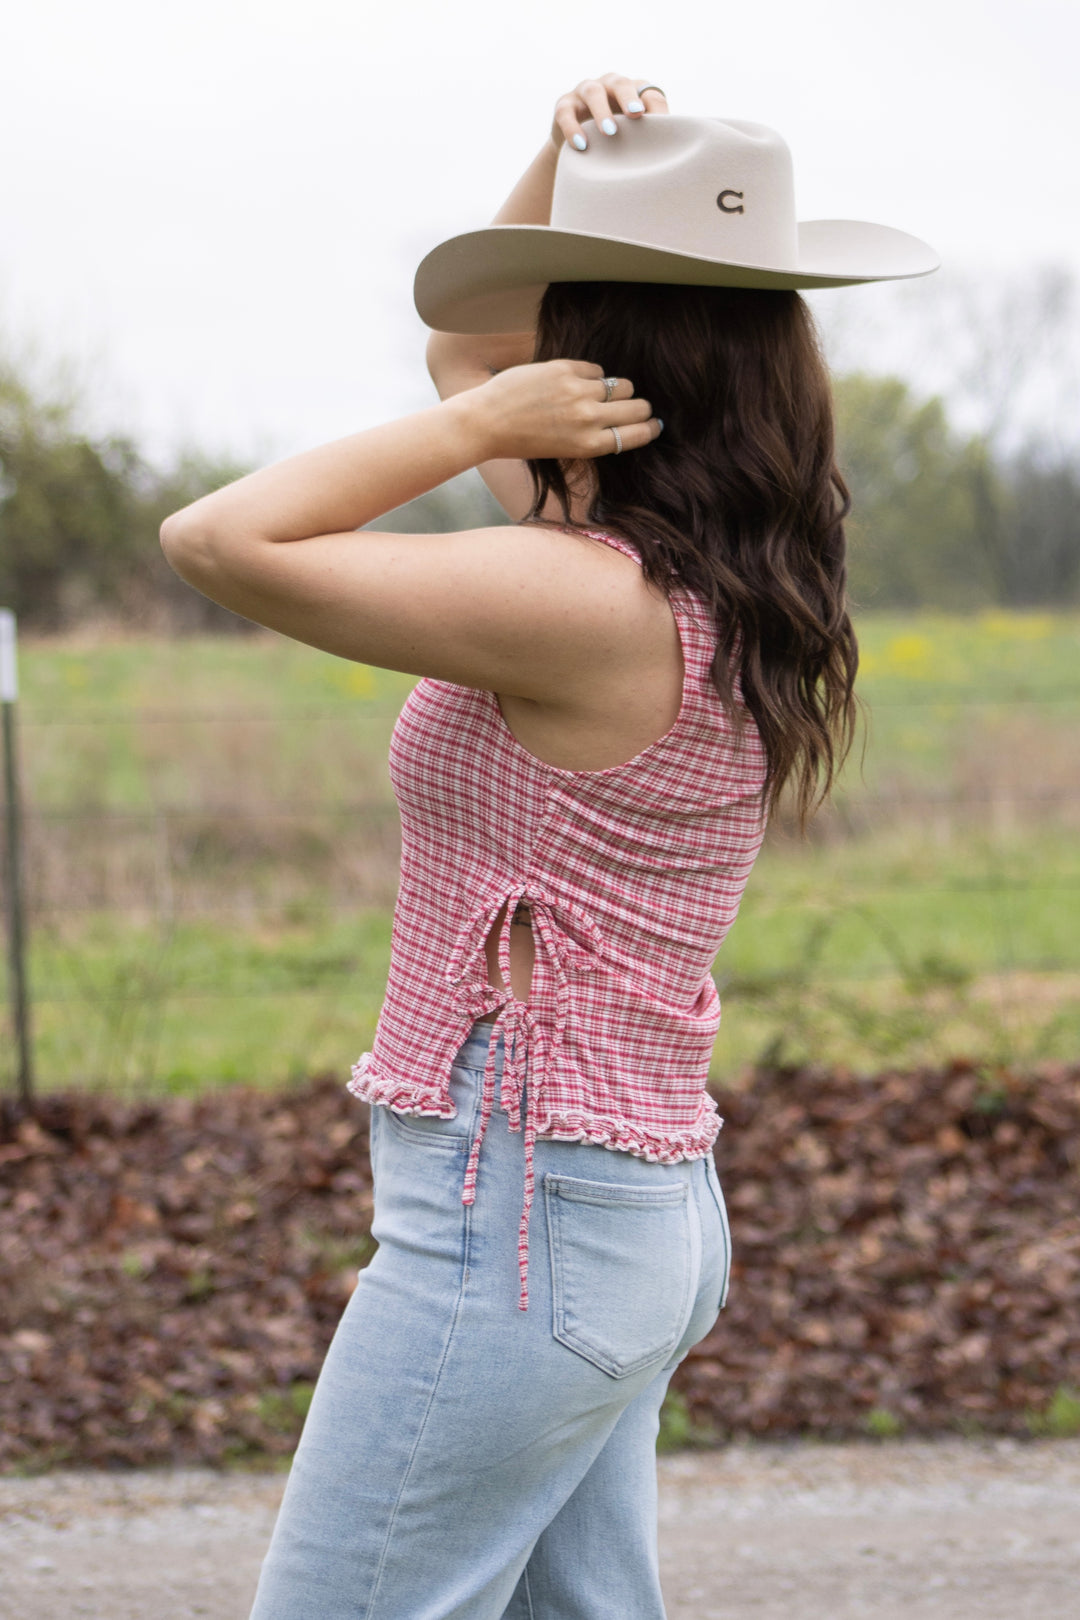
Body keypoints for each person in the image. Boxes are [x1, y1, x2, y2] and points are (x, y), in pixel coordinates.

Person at [161, 71, 938, 1620]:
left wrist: (470, 426)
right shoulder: (719, 569)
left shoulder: (577, 597)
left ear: (603, 356)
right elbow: (465, 339)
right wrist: (561, 155)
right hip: (623, 1205)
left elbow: (218, 538)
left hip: (515, 1215)